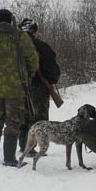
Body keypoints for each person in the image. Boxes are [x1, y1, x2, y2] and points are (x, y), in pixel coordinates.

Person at [0, 9, 39, 166]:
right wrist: (28, 75)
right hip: (16, 88)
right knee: (13, 122)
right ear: (10, 20)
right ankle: (10, 159)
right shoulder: (20, 37)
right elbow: (33, 59)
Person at [18, 18, 61, 157]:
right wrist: (52, 80)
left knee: (22, 117)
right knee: (38, 118)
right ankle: (30, 148)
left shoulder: (15, 47)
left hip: (17, 86)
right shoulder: (42, 47)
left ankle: (23, 145)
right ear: (35, 32)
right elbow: (52, 68)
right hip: (38, 87)